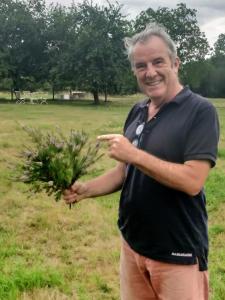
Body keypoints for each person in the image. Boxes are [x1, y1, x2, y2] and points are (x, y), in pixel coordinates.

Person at [63, 23, 220, 300]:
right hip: (133, 245)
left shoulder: (200, 111)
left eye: (158, 62)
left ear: (175, 63)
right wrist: (84, 190)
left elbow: (192, 181)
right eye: (140, 65)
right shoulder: (138, 110)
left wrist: (133, 154)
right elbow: (124, 173)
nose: (150, 72)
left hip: (177, 253)